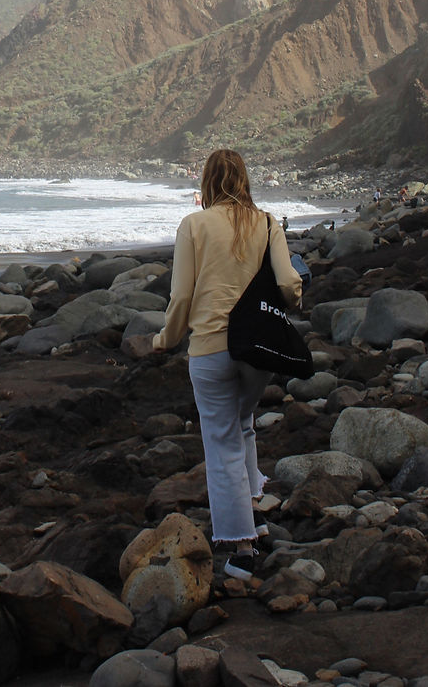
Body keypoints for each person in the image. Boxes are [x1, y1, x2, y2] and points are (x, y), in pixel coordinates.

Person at [152, 149, 302, 580]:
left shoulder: (193, 226)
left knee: (221, 444)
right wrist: (295, 297)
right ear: (244, 179)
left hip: (212, 351)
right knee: (243, 424)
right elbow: (289, 283)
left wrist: (166, 339)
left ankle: (240, 550)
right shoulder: (267, 222)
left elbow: (181, 296)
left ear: (207, 182)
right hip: (258, 351)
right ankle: (253, 513)